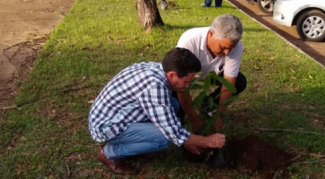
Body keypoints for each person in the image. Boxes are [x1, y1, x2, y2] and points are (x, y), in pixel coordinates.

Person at [88, 48, 226, 175]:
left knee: (173, 105)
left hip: (116, 114)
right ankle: (109, 153)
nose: (187, 86)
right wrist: (207, 141)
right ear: (172, 75)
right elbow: (173, 132)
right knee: (163, 138)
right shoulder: (154, 86)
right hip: (107, 126)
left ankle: (141, 143)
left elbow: (169, 120)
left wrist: (187, 140)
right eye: (185, 82)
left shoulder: (156, 69)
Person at [174, 14, 247, 134]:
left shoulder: (236, 46)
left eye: (231, 48)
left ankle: (206, 104)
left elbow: (229, 83)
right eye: (223, 47)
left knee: (240, 81)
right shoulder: (189, 41)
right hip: (189, 76)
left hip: (215, 73)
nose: (227, 52)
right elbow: (181, 84)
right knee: (175, 94)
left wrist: (220, 115)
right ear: (211, 34)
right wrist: (194, 120)